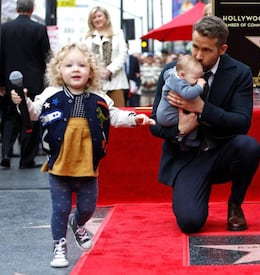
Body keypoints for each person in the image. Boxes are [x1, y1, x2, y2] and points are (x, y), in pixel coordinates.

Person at [11, 43, 155, 268]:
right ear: (59, 70)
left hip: (88, 164)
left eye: (81, 65)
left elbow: (114, 115)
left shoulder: (98, 96)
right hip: (59, 163)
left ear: (91, 70)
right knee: (60, 208)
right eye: (68, 65)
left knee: (87, 207)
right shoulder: (51, 94)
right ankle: (59, 245)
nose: (75, 69)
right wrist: (24, 101)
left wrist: (134, 118)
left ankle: (77, 224)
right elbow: (33, 113)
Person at [149, 16, 260, 234]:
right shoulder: (173, 72)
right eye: (194, 47)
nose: (198, 56)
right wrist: (179, 130)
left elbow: (242, 123)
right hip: (187, 157)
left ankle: (235, 204)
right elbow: (154, 123)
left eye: (206, 50)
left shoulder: (240, 73)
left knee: (249, 146)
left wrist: (202, 109)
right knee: (190, 223)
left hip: (222, 152)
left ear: (222, 49)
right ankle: (194, 192)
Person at [0, 0, 51, 169]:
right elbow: (47, 58)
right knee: (29, 119)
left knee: (9, 118)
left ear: (17, 9)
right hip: (34, 82)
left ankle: (6, 154)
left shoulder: (4, 29)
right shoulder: (39, 29)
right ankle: (26, 159)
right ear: (32, 9)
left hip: (9, 82)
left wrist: (1, 83)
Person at [156, 54, 206, 150]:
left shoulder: (173, 74)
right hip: (168, 116)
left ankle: (185, 141)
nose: (198, 80)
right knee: (193, 119)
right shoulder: (179, 82)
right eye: (195, 78)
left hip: (164, 113)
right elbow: (188, 94)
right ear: (182, 75)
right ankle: (190, 142)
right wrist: (200, 86)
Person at [84, 6, 129, 107]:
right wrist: (97, 71)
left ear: (106, 17)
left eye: (99, 16)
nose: (97, 19)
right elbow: (86, 57)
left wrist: (109, 70)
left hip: (116, 81)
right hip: (95, 82)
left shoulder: (117, 33)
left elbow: (123, 54)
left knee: (119, 112)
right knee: (97, 114)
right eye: (94, 17)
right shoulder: (87, 37)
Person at [124, 41, 141, 107]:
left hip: (132, 87)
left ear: (128, 47)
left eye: (126, 46)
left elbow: (138, 74)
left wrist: (137, 85)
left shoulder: (134, 59)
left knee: (134, 106)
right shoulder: (116, 60)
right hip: (121, 87)